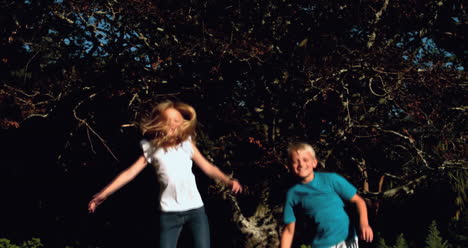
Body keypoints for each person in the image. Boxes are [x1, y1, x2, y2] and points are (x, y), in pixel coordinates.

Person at [88, 100, 242, 248]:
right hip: (169, 213)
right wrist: (104, 193)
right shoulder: (151, 148)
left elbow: (208, 167)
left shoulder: (186, 144)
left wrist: (228, 181)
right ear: (160, 124)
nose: (173, 124)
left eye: (177, 120)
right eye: (168, 120)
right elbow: (129, 173)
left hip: (195, 210)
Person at [280, 142, 373, 248]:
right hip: (322, 245)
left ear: (314, 162)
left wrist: (364, 224)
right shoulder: (293, 194)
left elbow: (358, 201)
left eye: (305, 160)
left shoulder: (332, 179)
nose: (301, 164)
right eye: (295, 162)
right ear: (290, 166)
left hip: (347, 239)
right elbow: (288, 231)